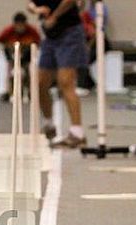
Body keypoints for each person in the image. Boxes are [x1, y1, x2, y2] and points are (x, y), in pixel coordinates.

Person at [28, 0, 88, 148]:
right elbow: (30, 4)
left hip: (70, 32)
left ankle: (77, 132)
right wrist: (36, 9)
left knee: (65, 82)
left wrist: (54, 16)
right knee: (39, 83)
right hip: (50, 37)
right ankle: (49, 125)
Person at [0, 12, 41, 101]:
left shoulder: (31, 30)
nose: (20, 27)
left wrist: (27, 46)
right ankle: (10, 92)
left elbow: (38, 41)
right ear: (15, 24)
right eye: (18, 25)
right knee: (10, 73)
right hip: (12, 54)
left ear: (25, 24)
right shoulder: (8, 30)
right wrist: (10, 47)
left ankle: (30, 92)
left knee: (28, 72)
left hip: (27, 55)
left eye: (22, 25)